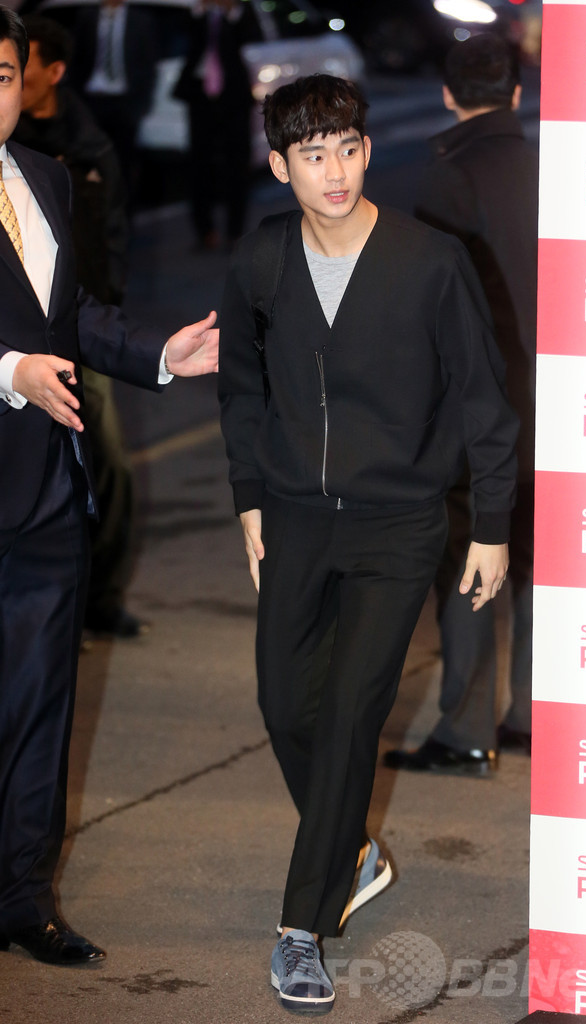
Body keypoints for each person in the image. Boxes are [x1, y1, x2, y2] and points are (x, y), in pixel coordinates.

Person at [218, 73, 518, 1014]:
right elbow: (240, 387)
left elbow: (482, 397)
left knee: (350, 713)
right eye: (312, 155)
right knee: (284, 705)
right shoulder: (261, 259)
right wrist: (249, 499)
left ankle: (301, 929)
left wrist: (492, 526)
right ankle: (349, 847)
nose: (335, 170)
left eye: (347, 148)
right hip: (296, 519)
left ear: (366, 149)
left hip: (398, 525)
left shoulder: (429, 261)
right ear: (281, 166)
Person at [0, 7, 218, 966]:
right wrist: (9, 370)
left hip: (49, 492)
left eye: (2, 75)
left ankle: (22, 900)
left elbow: (72, 314)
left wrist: (159, 354)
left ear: (26, 81)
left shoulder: (46, 177)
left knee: (41, 708)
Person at [384, 33, 538, 777]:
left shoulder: (449, 178)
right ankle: (532, 716)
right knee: (535, 563)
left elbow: (435, 314)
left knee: (471, 560)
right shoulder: (551, 170)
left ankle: (468, 731)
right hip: (557, 406)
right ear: (516, 93)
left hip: (481, 413)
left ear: (447, 94)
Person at [14, 13, 144, 639]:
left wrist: (126, 338)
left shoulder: (81, 150)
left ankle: (101, 598)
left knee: (107, 462)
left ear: (49, 73)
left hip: (81, 337)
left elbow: (110, 240)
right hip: (20, 359)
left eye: (12, 73)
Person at [173, 0, 260, 251]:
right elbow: (181, 35)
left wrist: (231, 10)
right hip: (200, 95)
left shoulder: (241, 13)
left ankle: (235, 231)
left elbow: (251, 36)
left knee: (237, 164)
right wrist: (200, 9)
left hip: (233, 97)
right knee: (200, 165)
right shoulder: (196, 13)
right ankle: (205, 231)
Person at [67, 0, 158, 204]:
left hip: (124, 102)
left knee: (123, 163)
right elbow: (77, 60)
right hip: (92, 100)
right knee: (90, 162)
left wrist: (140, 106)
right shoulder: (87, 17)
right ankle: (94, 212)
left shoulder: (140, 20)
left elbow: (148, 64)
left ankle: (123, 214)